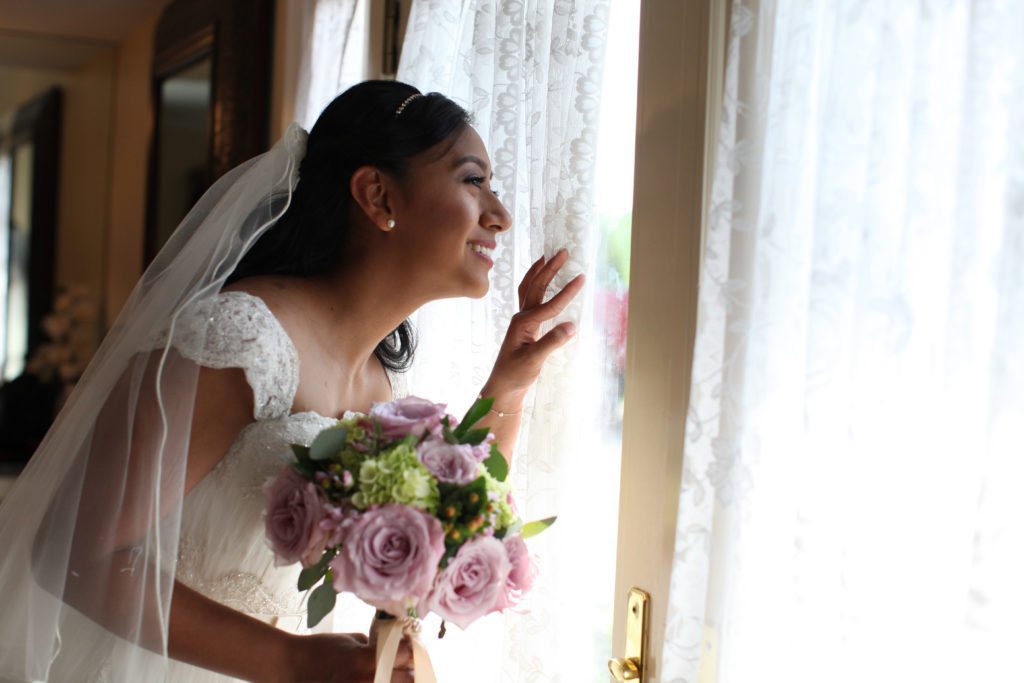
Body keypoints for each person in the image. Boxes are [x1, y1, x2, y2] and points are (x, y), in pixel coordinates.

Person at [0, 80, 583, 682]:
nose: (500, 214)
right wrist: (290, 660)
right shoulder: (241, 341)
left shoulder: (382, 383)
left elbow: (450, 529)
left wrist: (508, 385)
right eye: (472, 180)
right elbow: (72, 554)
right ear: (377, 194)